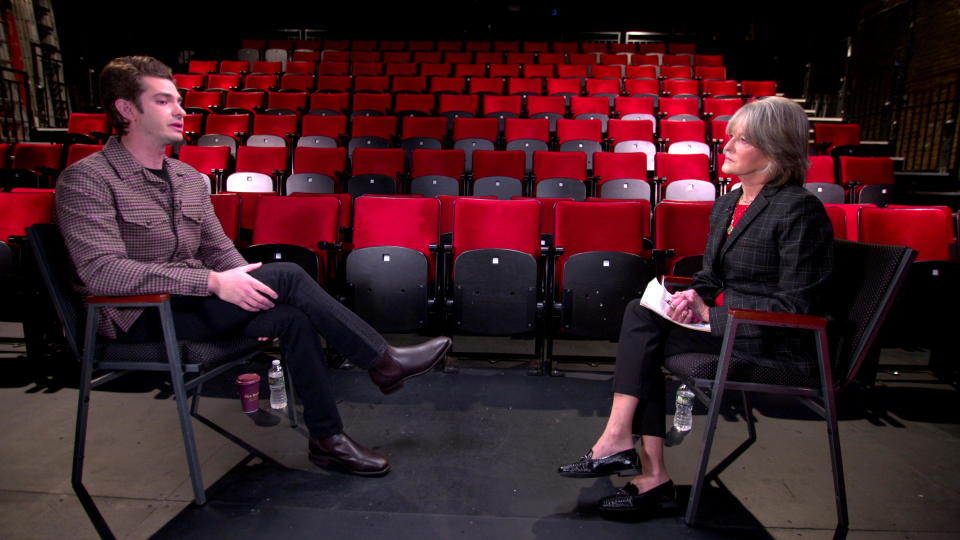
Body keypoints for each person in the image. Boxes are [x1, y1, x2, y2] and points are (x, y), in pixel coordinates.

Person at [55, 56, 452, 477]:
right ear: (126, 110)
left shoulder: (188, 178)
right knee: (287, 274)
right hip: (140, 315)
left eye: (179, 100)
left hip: (190, 306)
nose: (181, 110)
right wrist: (211, 282)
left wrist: (248, 293)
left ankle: (327, 439)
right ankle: (382, 360)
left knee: (292, 315)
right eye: (163, 101)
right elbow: (102, 271)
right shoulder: (88, 180)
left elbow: (220, 250)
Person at [557, 96, 834, 515]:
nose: (727, 147)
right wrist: (694, 296)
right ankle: (633, 459)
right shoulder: (729, 203)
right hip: (732, 326)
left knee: (642, 339)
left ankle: (636, 461)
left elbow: (797, 304)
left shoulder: (799, 210)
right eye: (730, 137)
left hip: (772, 343)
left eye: (742, 140)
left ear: (775, 149)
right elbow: (711, 277)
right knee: (642, 314)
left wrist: (712, 312)